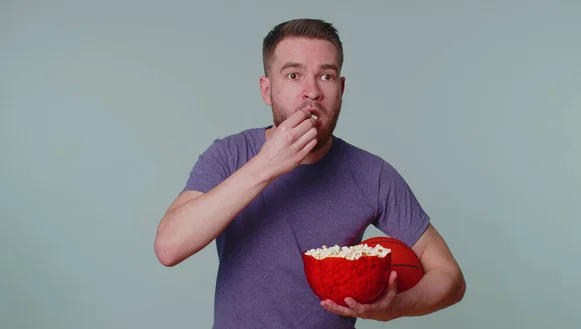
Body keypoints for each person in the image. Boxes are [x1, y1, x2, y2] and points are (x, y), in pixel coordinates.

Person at [154, 18, 466, 328]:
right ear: (267, 90)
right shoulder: (229, 155)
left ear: (341, 88)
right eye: (293, 75)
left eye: (326, 76)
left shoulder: (372, 174)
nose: (312, 92)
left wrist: (394, 307)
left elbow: (449, 277)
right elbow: (169, 247)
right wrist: (265, 166)